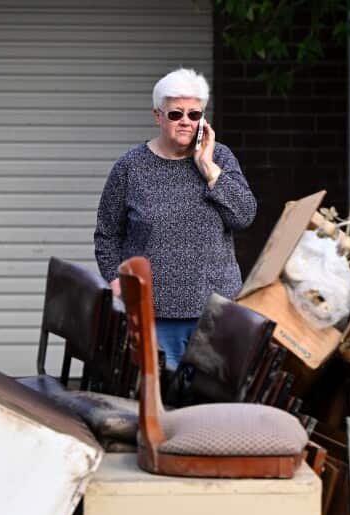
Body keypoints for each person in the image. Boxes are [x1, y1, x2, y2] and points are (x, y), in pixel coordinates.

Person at [93, 68, 256, 368]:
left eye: (194, 115)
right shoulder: (130, 167)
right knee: (158, 403)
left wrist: (207, 168)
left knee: (206, 407)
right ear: (158, 115)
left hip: (214, 313)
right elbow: (107, 235)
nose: (185, 121)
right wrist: (116, 281)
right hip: (152, 313)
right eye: (176, 114)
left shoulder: (220, 158)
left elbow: (244, 215)